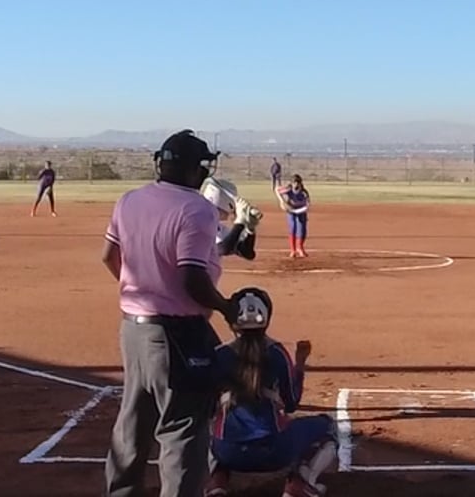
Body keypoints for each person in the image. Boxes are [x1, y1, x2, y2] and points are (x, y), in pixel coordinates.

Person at [102, 130, 250, 497]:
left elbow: (109, 257)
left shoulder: (129, 200)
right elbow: (192, 279)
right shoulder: (196, 208)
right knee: (183, 430)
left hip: (133, 328)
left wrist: (143, 286)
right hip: (178, 332)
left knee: (133, 423)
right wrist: (225, 307)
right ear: (194, 169)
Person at [206, 287, 338, 497]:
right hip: (275, 452)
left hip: (228, 452)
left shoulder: (220, 354)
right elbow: (292, 402)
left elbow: (207, 405)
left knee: (207, 429)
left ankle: (216, 484)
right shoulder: (277, 353)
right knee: (328, 427)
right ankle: (300, 483)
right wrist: (300, 364)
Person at [280, 175, 311, 259]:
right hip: (291, 211)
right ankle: (293, 250)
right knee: (292, 228)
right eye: (294, 182)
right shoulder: (288, 190)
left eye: (297, 182)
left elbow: (308, 204)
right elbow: (277, 191)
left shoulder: (304, 192)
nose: (296, 185)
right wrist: (282, 202)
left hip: (301, 212)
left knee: (302, 230)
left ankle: (300, 248)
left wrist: (304, 209)